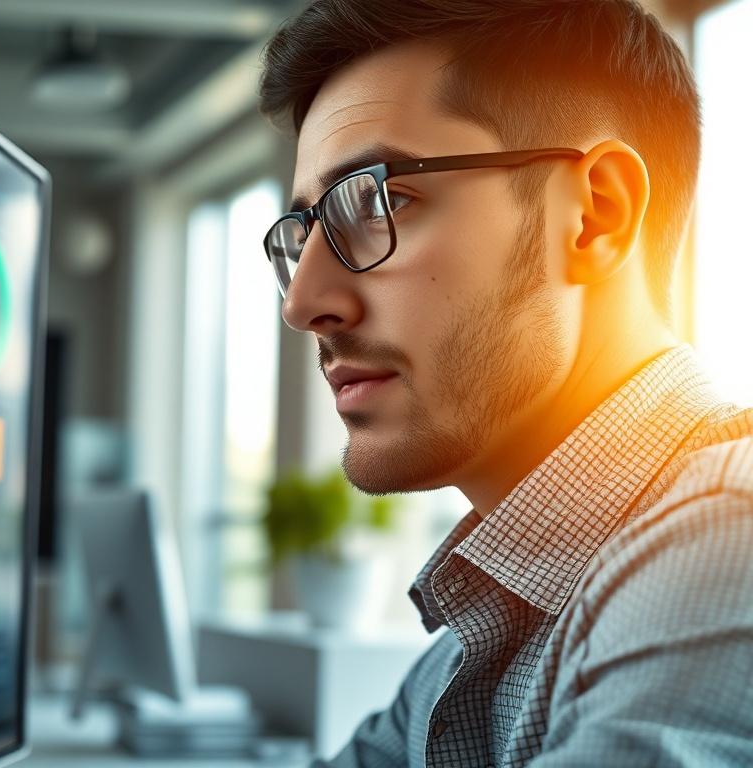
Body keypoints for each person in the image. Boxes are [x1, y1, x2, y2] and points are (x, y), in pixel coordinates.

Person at [258, 1, 753, 765]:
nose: (303, 304)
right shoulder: (471, 646)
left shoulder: (729, 538)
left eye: (381, 200)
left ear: (596, 216)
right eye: (306, 231)